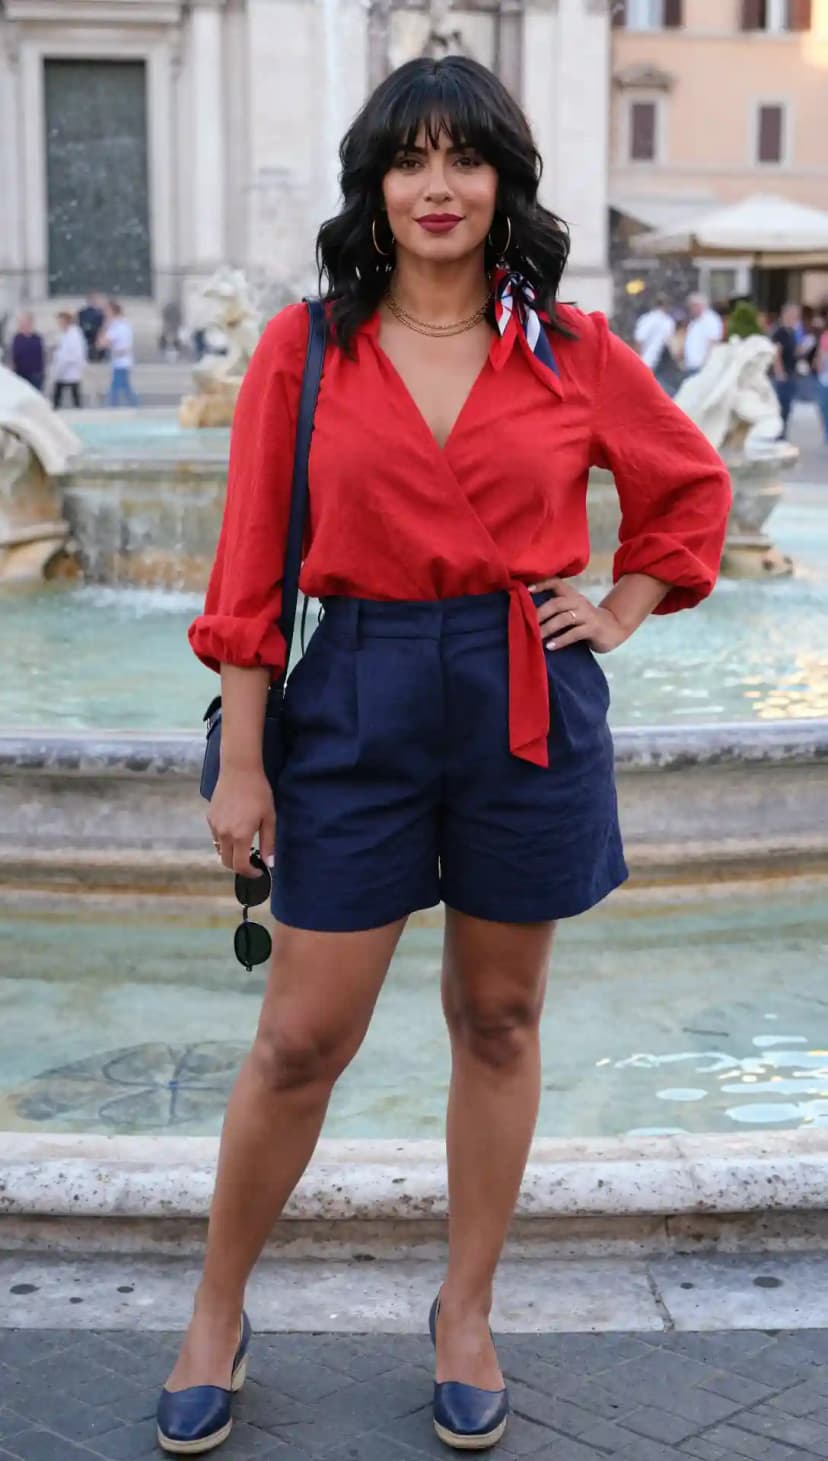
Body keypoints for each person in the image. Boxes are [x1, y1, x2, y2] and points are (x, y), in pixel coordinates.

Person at [157, 56, 731, 1457]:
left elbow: (689, 489)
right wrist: (245, 764)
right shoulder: (304, 348)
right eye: (410, 160)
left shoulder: (572, 349)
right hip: (351, 692)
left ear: (501, 184)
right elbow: (247, 576)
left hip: (526, 691)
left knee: (499, 1019)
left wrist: (625, 605)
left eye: (464, 160)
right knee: (300, 1037)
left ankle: (464, 1309)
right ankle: (215, 1308)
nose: (437, 186)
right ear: (375, 184)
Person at [99, 300, 139, 406]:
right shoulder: (124, 324)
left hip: (121, 361)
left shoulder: (116, 326)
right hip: (122, 360)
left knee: (117, 387)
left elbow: (103, 343)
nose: (105, 314)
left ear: (112, 312)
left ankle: (113, 407)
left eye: (107, 311)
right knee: (123, 386)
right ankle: (133, 405)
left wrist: (104, 327)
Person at [771, 302, 802, 438]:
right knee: (781, 407)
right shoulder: (780, 332)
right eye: (794, 315)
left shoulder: (793, 332)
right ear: (786, 315)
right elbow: (776, 354)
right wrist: (779, 373)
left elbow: (794, 351)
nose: (796, 318)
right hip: (783, 376)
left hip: (792, 372)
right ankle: (778, 435)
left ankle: (782, 434)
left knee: (788, 407)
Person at [633, 293, 676, 387]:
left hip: (645, 361)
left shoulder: (645, 319)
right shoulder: (667, 321)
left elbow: (638, 339)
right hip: (659, 362)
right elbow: (670, 343)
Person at [50, 311, 87, 408]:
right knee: (57, 393)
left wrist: (64, 362)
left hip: (71, 369)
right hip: (62, 370)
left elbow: (76, 354)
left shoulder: (75, 335)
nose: (59, 324)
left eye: (61, 321)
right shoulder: (62, 335)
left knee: (75, 394)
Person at [683, 292, 723, 377]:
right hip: (692, 366)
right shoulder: (694, 322)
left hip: (702, 367)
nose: (691, 309)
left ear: (698, 305)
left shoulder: (711, 319)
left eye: (692, 306)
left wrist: (707, 364)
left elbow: (713, 342)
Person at [10, 312, 45, 392]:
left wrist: (41, 374)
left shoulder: (37, 338)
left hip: (35, 375)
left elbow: (41, 356)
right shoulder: (17, 338)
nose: (21, 324)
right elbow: (14, 357)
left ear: (30, 323)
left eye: (23, 322)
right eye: (20, 322)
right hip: (21, 375)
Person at [78, 293, 105, 362]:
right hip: (87, 340)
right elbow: (81, 325)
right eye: (92, 299)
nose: (95, 301)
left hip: (99, 340)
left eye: (96, 299)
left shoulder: (102, 313)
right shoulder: (83, 312)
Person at [816, 317, 828, 445]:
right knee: (824, 406)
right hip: (825, 377)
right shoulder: (825, 336)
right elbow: (821, 354)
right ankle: (827, 432)